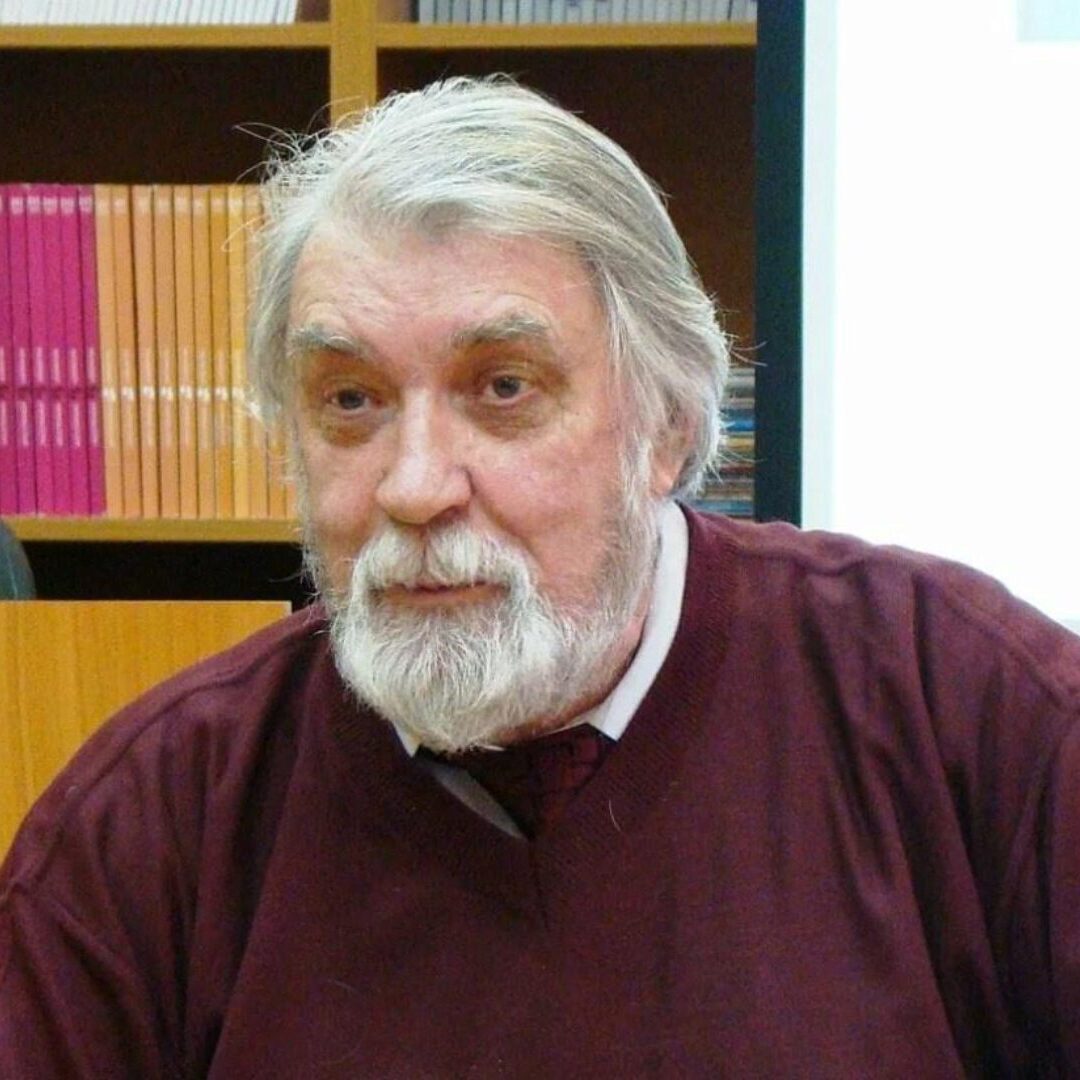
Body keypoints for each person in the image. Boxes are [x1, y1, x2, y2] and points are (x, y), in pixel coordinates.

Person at [2, 76, 1079, 1078]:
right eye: (350, 401)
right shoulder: (155, 821)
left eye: (503, 388)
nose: (415, 487)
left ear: (665, 425)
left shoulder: (967, 713)